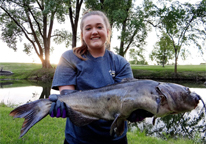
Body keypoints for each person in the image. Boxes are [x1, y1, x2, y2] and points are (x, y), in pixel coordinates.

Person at [50, 10, 133, 144]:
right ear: (83, 35)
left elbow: (127, 99)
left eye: (99, 27)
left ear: (107, 32)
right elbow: (68, 96)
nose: (94, 31)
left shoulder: (121, 63)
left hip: (115, 139)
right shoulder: (69, 57)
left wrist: (135, 111)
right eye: (88, 28)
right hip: (78, 139)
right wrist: (63, 105)